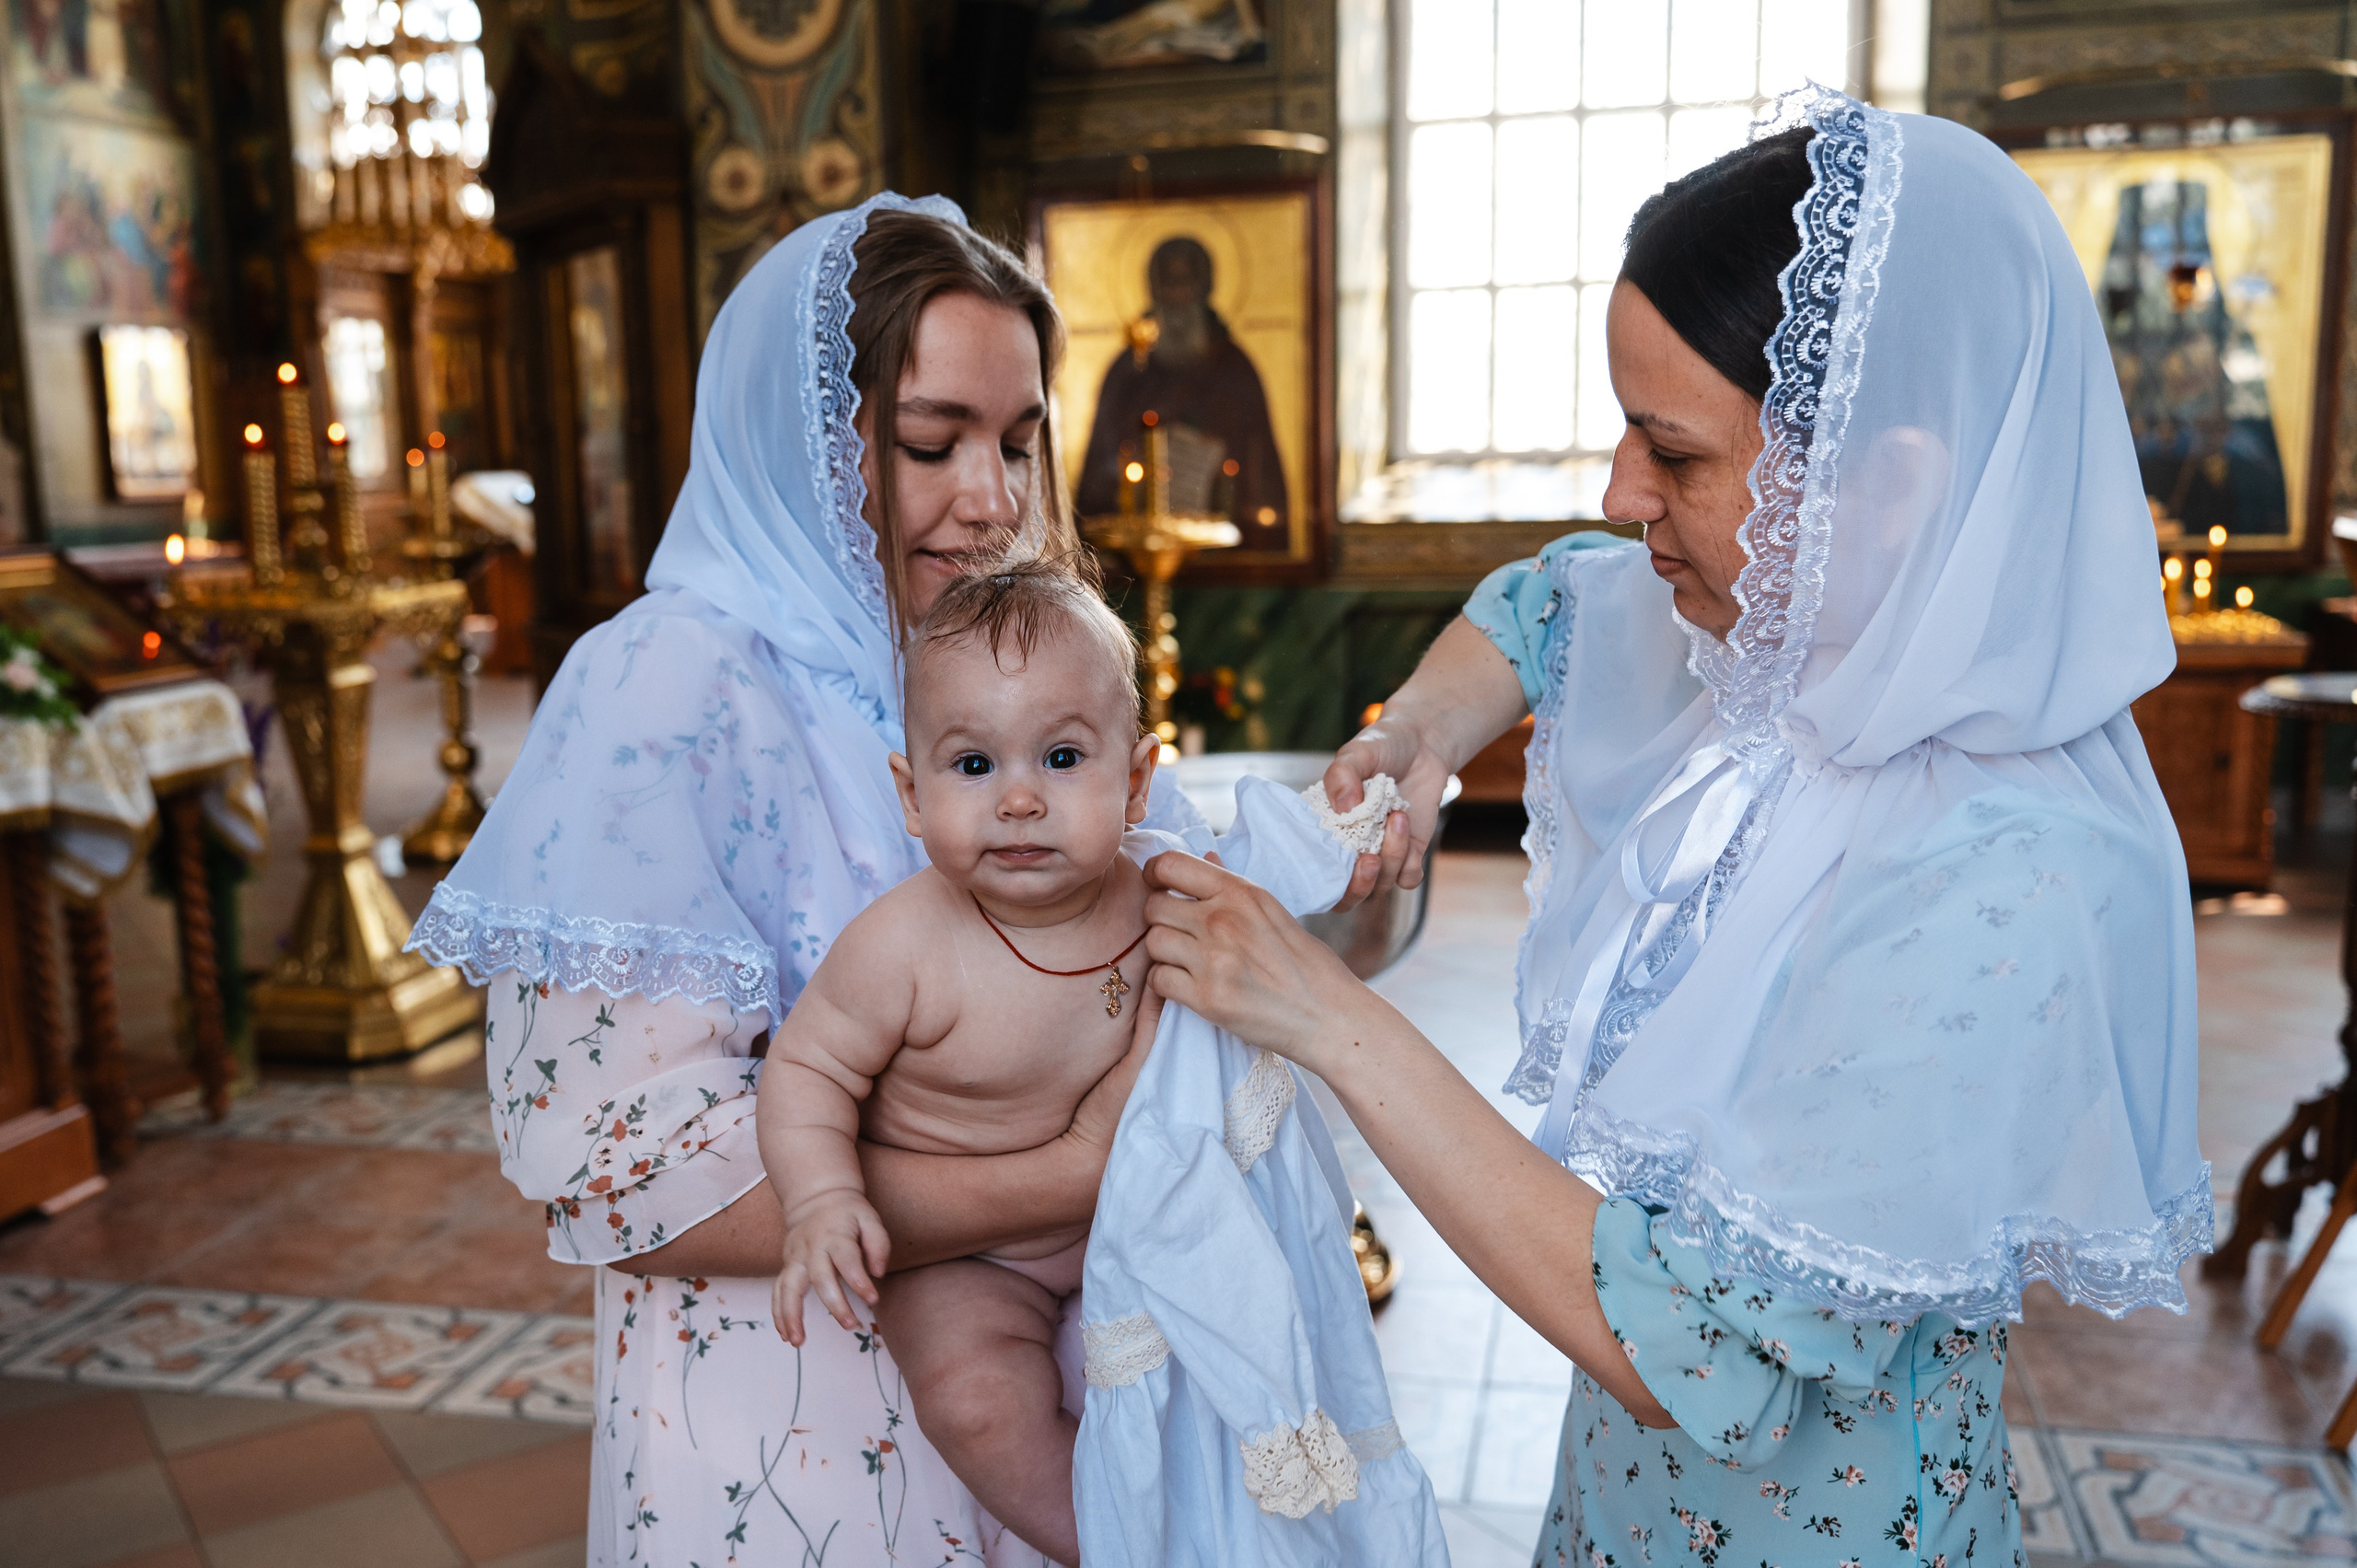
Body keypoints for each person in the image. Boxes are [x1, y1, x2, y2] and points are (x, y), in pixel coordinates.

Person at [1139, 88, 2209, 1568]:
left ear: (1885, 484)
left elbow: (1700, 1349)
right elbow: (1544, 598)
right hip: (1621, 1501)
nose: (1620, 489)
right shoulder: (1776, 654)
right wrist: (1417, 736)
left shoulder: (2008, 868)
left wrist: (1327, 1016)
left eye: (1676, 453)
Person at [408, 193, 1209, 1568]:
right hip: (802, 1437)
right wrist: (1067, 1169)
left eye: (1019, 441)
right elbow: (621, 1176)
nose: (994, 497)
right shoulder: (665, 686)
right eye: (929, 441)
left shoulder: (996, 659)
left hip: (1072, 1389)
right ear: (795, 447)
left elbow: (1180, 920)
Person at [761, 562, 1158, 1568]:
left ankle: (1231, 1515)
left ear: (1138, 778)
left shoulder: (1160, 896)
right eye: (973, 765)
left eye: (1062, 756)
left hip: (1135, 1217)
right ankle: (1112, 1545)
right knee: (978, 1403)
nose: (1019, 798)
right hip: (974, 1260)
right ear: (911, 791)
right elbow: (805, 1071)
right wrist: (818, 1200)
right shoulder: (902, 946)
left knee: (1241, 1342)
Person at [1074, 236, 1289, 548]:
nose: (1177, 296)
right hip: (1135, 551)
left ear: (1204, 288)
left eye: (1186, 282)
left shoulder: (1235, 370)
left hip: (1226, 551)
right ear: (1154, 289)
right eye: (1168, 284)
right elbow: (1099, 467)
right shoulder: (1128, 371)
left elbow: (1261, 468)